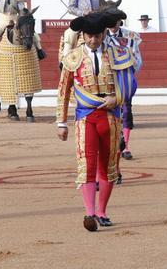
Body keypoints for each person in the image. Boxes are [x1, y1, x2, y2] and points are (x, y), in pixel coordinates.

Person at [56, 12, 137, 232]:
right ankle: (89, 213)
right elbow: (63, 91)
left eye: (97, 36)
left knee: (108, 167)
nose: (93, 40)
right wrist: (61, 122)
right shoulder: (72, 57)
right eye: (89, 36)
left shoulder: (119, 54)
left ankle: (102, 212)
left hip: (111, 118)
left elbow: (130, 85)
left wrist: (116, 99)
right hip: (85, 117)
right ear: (83, 35)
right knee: (87, 165)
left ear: (103, 34)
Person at [103, 9, 142, 162]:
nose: (113, 25)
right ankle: (111, 146)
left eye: (116, 21)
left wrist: (129, 72)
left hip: (124, 78)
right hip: (107, 79)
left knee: (126, 111)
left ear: (120, 21)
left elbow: (137, 58)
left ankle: (125, 147)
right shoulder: (101, 36)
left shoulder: (130, 36)